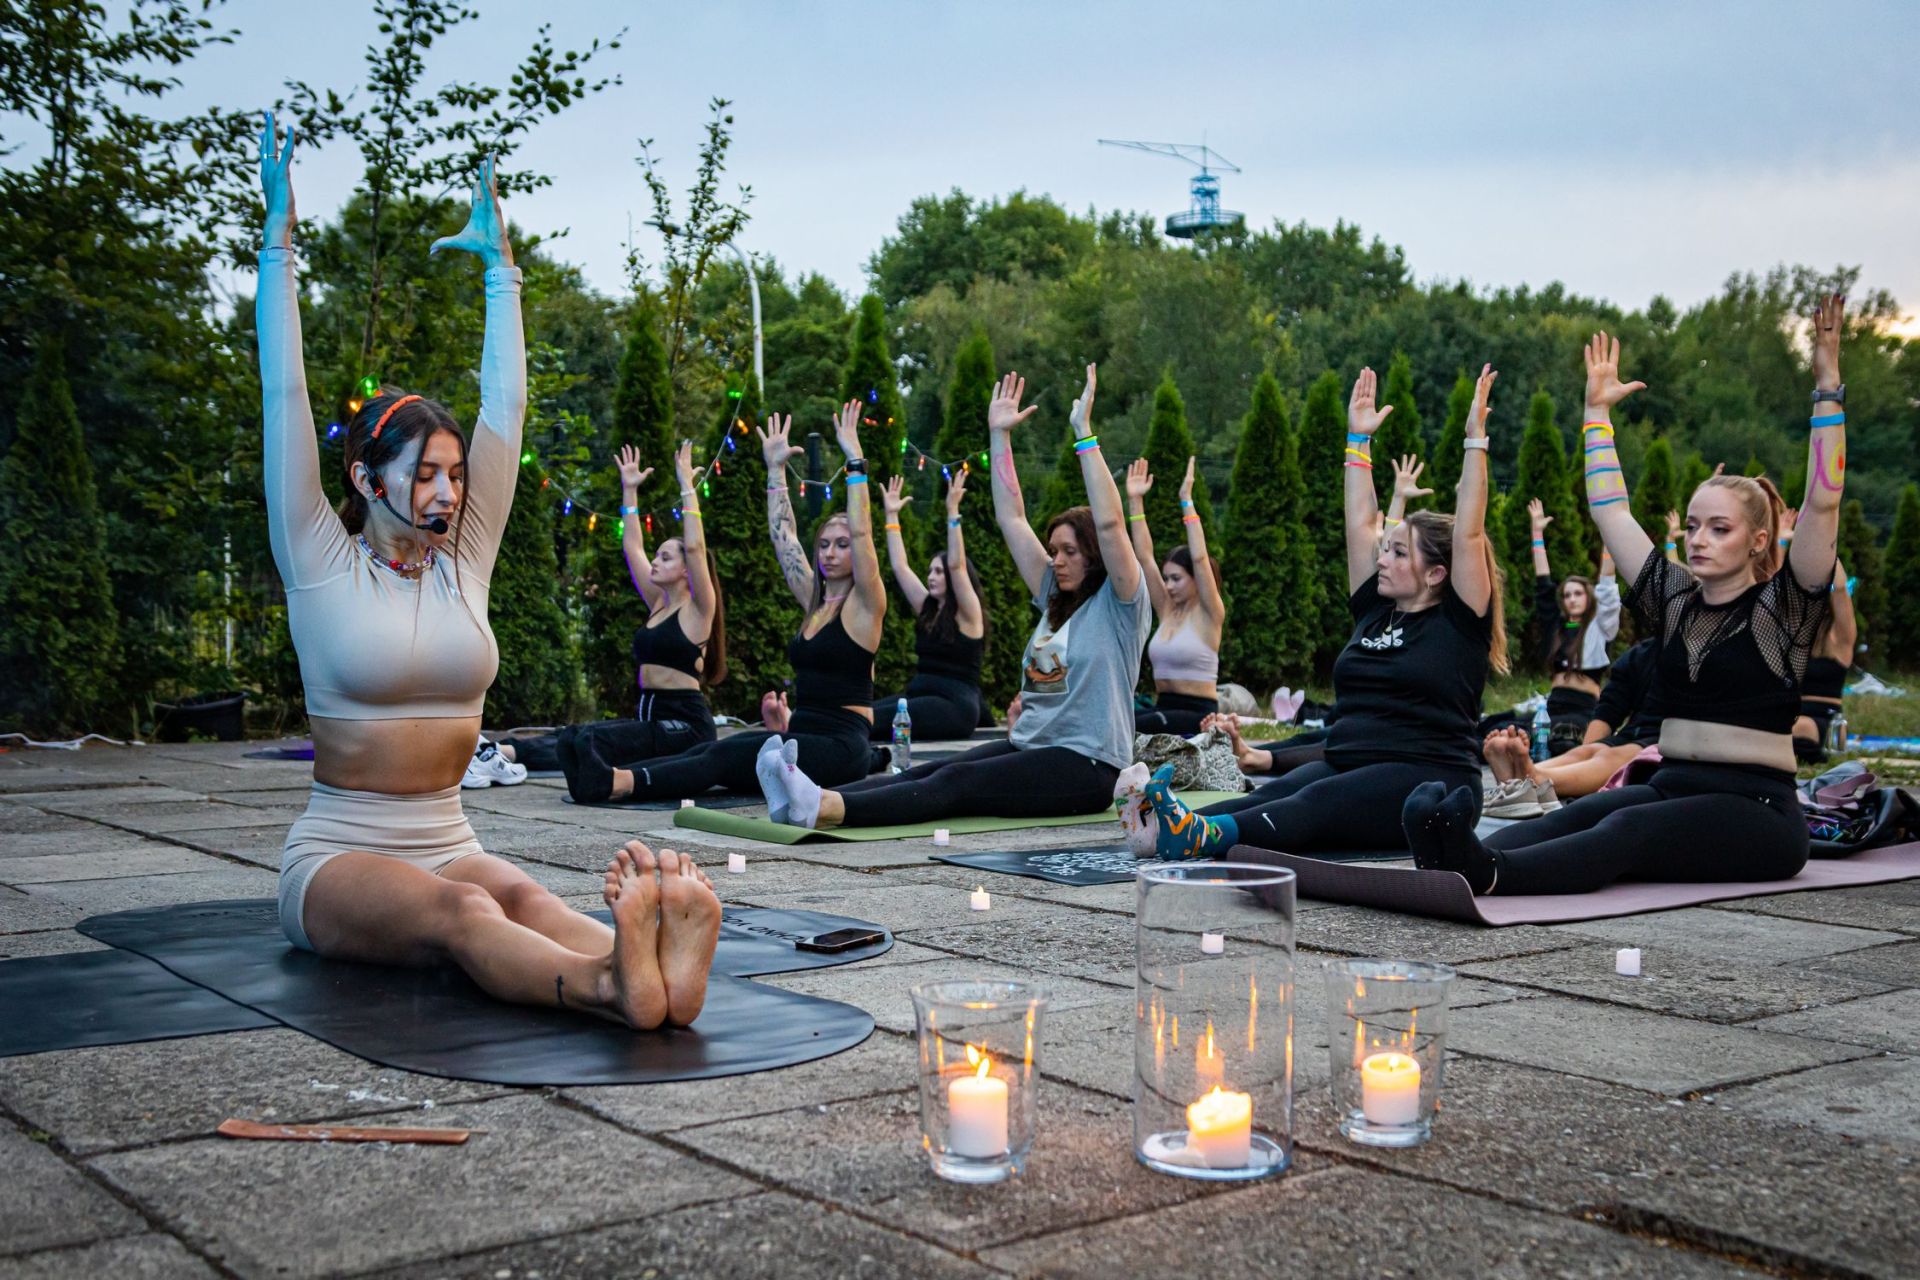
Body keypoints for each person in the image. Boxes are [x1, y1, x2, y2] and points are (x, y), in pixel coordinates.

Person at [255, 116, 718, 1029]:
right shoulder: (317, 554)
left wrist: (501, 265)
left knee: (529, 897)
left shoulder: (464, 558)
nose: (445, 492)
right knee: (465, 914)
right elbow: (286, 395)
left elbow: (505, 402)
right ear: (365, 478)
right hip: (339, 857)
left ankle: (660, 966)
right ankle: (611, 986)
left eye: (456, 475)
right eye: (424, 474)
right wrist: (279, 248)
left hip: (448, 836)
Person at [1403, 313, 1847, 895]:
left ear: (1759, 541)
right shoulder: (1678, 601)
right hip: (1674, 783)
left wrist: (1827, 390)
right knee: (1583, 813)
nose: (1699, 539)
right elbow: (1612, 511)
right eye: (1693, 526)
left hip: (1756, 809)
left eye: (1719, 528)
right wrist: (1596, 415)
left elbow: (1822, 504)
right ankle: (1452, 857)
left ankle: (1489, 876)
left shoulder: (1780, 612)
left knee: (1629, 825)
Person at [1142, 364, 1507, 860]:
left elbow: (1468, 533)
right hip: (1348, 764)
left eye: (1400, 553)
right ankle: (1156, 825)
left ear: (1438, 574)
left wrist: (1474, 442)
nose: (1383, 559)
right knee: (1274, 793)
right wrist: (1357, 439)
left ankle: (1196, 837)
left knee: (1314, 800)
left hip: (1430, 780)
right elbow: (1359, 525)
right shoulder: (1378, 612)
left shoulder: (1460, 622)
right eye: (1388, 549)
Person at [760, 366, 1149, 829]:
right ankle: (813, 794)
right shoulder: (1054, 598)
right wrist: (998, 436)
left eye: (1069, 551)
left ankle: (828, 810)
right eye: (1054, 550)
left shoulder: (1121, 602)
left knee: (956, 784)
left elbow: (1110, 525)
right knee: (934, 768)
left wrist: (1084, 435)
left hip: (1087, 767)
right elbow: (1012, 519)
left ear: (1095, 555)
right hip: (1031, 747)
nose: (1056, 559)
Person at [573, 404, 884, 804]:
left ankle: (620, 783)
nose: (830, 552)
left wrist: (854, 461)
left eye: (840, 546)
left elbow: (862, 534)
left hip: (841, 749)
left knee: (726, 752)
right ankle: (618, 775)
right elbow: (783, 537)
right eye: (823, 544)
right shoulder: (815, 599)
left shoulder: (865, 604)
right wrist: (775, 471)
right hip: (801, 738)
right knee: (711, 750)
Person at [497, 442, 726, 792]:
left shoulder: (698, 609)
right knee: (573, 735)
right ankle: (501, 752)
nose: (655, 561)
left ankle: (529, 764)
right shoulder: (658, 603)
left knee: (589, 740)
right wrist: (630, 491)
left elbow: (695, 547)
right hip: (649, 718)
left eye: (665, 557)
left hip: (684, 726)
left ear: (686, 571)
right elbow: (632, 547)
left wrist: (687, 487)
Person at [863, 469, 988, 741]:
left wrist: (953, 511)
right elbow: (900, 566)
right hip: (918, 697)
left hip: (953, 707)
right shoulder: (929, 607)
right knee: (860, 713)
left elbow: (956, 564)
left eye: (938, 572)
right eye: (930, 571)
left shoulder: (968, 613)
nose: (932, 577)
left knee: (869, 722)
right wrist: (892, 516)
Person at [1482, 638, 1660, 814]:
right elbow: (1608, 710)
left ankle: (1537, 779)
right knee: (1588, 751)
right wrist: (1589, 752)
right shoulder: (1642, 654)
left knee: (1622, 755)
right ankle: (1516, 781)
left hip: (1661, 743)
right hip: (1632, 734)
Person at [1125, 457, 1227, 735]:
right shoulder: (1168, 609)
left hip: (1197, 713)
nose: (1168, 585)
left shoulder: (1209, 613)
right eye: (1166, 578)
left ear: (1196, 580)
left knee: (1129, 725)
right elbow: (1144, 558)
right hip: (1163, 706)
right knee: (1114, 717)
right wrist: (1135, 501)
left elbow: (1200, 556)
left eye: (1177, 578)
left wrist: (1187, 502)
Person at [1525, 497, 1621, 752]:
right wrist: (1537, 534)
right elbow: (1544, 585)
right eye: (1567, 595)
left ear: (1588, 597)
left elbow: (1608, 586)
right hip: (1554, 706)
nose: (1572, 599)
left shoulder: (1599, 627)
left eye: (1578, 593)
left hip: (1584, 708)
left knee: (1570, 744)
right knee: (1501, 731)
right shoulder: (1557, 627)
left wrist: (1610, 533)